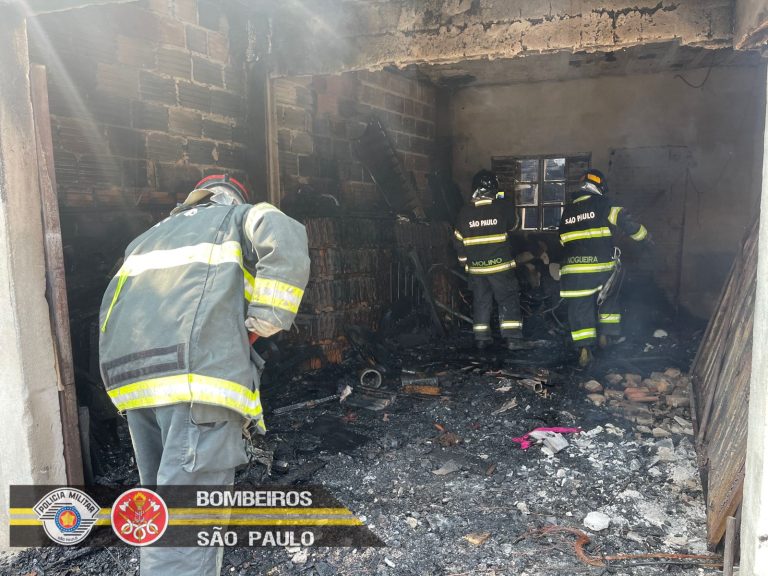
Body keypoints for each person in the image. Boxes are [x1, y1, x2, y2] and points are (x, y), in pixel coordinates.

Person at [98, 174, 310, 575]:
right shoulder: (236, 218)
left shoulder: (146, 239)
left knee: (160, 505)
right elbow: (282, 231)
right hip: (193, 382)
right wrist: (263, 321)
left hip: (133, 383)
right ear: (229, 198)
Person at [557, 168, 650, 367]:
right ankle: (607, 336)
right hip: (601, 268)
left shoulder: (567, 211)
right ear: (599, 186)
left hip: (572, 272)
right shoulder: (604, 203)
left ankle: (584, 349)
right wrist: (645, 239)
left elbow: (561, 240)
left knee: (579, 308)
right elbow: (626, 222)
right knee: (610, 296)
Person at [453, 169, 523, 349]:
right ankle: (512, 338)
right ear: (494, 188)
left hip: (476, 270)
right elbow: (515, 225)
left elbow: (458, 241)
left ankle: (481, 339)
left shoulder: (463, 212)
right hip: (500, 268)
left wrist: (463, 263)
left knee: (481, 301)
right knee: (507, 299)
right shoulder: (501, 207)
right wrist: (504, 201)